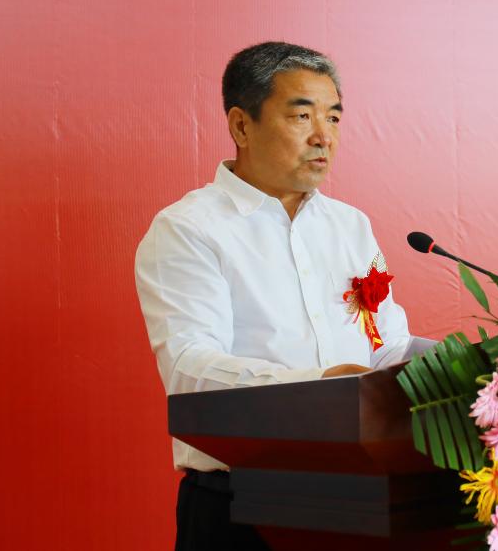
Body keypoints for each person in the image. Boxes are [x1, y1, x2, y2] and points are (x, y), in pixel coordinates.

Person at [135, 42, 412, 551]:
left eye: (333, 117)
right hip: (241, 505)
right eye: (302, 116)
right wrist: (323, 387)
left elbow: (385, 345)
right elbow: (191, 370)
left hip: (360, 500)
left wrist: (473, 371)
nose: (323, 136)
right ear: (242, 126)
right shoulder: (189, 229)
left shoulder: (350, 226)